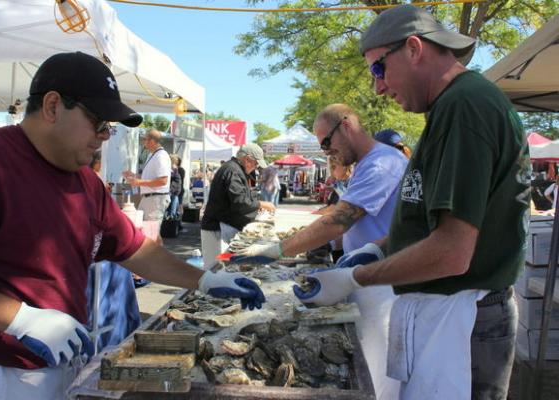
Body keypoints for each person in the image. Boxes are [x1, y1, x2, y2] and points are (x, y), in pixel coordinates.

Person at [0, 51, 265, 399]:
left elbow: (135, 250)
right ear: (53, 106)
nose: (105, 135)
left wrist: (205, 280)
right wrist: (20, 319)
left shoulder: (86, 183)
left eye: (109, 127)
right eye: (98, 121)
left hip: (57, 368)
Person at [291, 6, 531, 399]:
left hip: (464, 320)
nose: (378, 88)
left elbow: (453, 252)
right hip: (450, 314)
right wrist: (375, 250)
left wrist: (354, 278)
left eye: (378, 69)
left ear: (415, 48)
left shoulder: (464, 107)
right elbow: (430, 220)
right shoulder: (454, 107)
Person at [240, 104, 408, 399]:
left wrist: (277, 250)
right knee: (366, 365)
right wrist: (332, 253)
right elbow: (354, 223)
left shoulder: (382, 162)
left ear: (346, 126)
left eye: (327, 144)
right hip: (364, 276)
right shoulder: (371, 161)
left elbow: (341, 219)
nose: (327, 153)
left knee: (377, 377)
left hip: (383, 285)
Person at [200, 144, 276, 268]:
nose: (256, 167)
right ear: (247, 159)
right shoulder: (233, 170)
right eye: (256, 164)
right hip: (217, 228)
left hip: (223, 226)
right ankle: (209, 285)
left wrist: (256, 204)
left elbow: (242, 195)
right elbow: (240, 201)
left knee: (225, 261)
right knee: (214, 266)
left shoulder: (235, 169)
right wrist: (262, 204)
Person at [122, 129, 171, 240]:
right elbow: (150, 178)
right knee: (151, 233)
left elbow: (163, 180)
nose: (143, 142)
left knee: (150, 234)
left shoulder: (161, 156)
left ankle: (156, 256)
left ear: (152, 141)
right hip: (150, 198)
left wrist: (139, 182)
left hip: (155, 198)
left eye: (145, 139)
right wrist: (134, 176)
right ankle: (160, 256)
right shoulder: (153, 155)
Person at [166, 154, 183, 220]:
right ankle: (175, 217)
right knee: (175, 206)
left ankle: (172, 217)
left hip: (174, 189)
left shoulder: (173, 167)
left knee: (173, 205)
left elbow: (172, 176)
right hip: (176, 188)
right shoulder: (175, 167)